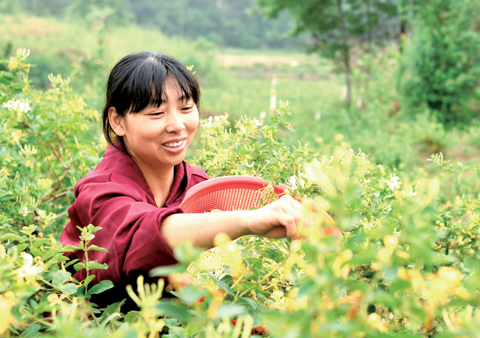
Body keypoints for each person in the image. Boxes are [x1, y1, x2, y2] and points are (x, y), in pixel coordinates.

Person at [61, 51, 312, 307]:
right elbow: (141, 233)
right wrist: (247, 221)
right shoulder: (101, 191)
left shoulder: (197, 184)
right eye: (157, 113)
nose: (178, 125)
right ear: (118, 121)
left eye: (186, 108)